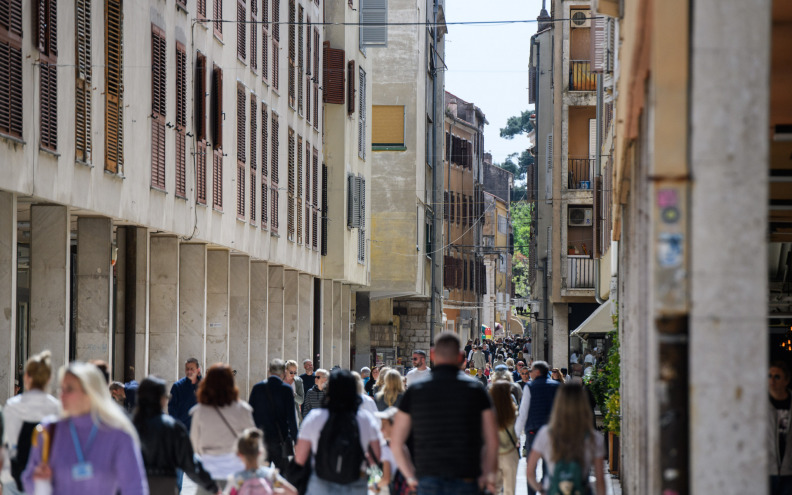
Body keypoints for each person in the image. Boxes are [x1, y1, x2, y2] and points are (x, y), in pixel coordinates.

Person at [391, 332, 498, 495]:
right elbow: (492, 440)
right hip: (467, 478)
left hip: (427, 479)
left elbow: (397, 441)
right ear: (461, 356)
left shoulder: (415, 391)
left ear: (432, 354)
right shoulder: (476, 390)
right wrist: (487, 474)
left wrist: (410, 477)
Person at [22, 361, 148, 494]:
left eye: (69, 389)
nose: (61, 395)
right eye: (61, 389)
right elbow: (28, 480)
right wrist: (38, 481)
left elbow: (134, 488)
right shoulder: (48, 431)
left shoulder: (118, 434)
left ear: (90, 392)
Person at [293, 369, 383, 495]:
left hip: (320, 482)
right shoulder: (365, 419)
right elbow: (376, 456)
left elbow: (300, 458)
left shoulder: (315, 418)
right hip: (355, 481)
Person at [133, 376, 219, 494]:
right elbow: (191, 464)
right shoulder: (173, 428)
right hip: (164, 489)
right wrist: (212, 486)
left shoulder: (126, 426)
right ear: (162, 399)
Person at [526, 384, 605, 495]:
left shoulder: (546, 434)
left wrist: (542, 490)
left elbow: (530, 472)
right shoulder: (594, 438)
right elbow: (600, 480)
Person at [189, 363, 256, 494]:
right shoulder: (242, 409)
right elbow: (252, 444)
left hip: (208, 475)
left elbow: (194, 445)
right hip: (237, 474)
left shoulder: (199, 411)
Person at [2, 350, 61, 493]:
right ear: (49, 378)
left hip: (13, 478)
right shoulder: (56, 408)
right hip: (45, 479)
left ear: (27, 377)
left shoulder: (12, 406)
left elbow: (6, 443)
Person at [514, 360, 561, 495]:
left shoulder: (530, 387)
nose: (530, 373)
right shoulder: (557, 386)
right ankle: (546, 490)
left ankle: (532, 492)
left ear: (538, 372)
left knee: (532, 466)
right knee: (548, 466)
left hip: (533, 431)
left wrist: (515, 436)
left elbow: (523, 413)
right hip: (552, 433)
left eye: (532, 370)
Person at [248, 359, 299, 472]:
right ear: (284, 372)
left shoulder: (257, 388)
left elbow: (249, 414)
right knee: (283, 475)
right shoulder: (286, 390)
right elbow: (291, 419)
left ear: (269, 371)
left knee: (261, 474)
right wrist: (296, 440)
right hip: (280, 440)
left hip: (261, 439)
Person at [226, 428, 297, 495]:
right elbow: (293, 492)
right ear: (260, 452)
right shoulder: (270, 475)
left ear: (239, 454)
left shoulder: (237, 479)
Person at [490, 382, 519, 495]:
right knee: (510, 490)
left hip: (494, 454)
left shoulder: (489, 413)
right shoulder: (513, 412)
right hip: (510, 453)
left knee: (494, 489)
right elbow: (517, 431)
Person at [769, 361, 792, 493]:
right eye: (769, 376)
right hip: (766, 469)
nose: (772, 380)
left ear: (786, 380)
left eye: (777, 377)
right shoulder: (758, 404)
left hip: (788, 470)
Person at [169, 357, 202, 431]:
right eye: (187, 369)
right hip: (183, 430)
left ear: (198, 370)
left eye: (192, 369)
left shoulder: (205, 386)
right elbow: (172, 408)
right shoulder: (177, 386)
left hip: (201, 430)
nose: (189, 371)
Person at [372, 407, 398, 495]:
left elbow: (386, 479)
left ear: (394, 425)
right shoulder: (405, 445)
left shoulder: (386, 449)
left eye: (384, 425)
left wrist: (374, 486)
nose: (381, 429)